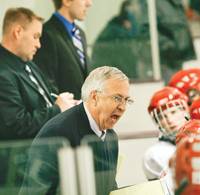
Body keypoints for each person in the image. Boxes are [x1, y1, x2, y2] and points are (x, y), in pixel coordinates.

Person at [20, 66, 132, 195]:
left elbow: (108, 188)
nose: (123, 107)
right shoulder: (57, 133)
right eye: (117, 98)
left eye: (127, 100)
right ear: (95, 97)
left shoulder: (111, 136)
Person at [0, 7, 76, 140]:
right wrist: (57, 109)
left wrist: (68, 105)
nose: (38, 45)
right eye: (35, 37)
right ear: (17, 32)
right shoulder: (3, 73)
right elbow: (18, 125)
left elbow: (48, 97)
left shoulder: (28, 63)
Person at [33, 0, 92, 99]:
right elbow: (47, 85)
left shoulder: (80, 34)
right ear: (67, 1)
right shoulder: (46, 34)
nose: (89, 3)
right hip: (64, 112)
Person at [143, 86, 189, 180]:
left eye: (173, 112)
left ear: (185, 111)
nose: (169, 120)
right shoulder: (156, 154)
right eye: (161, 117)